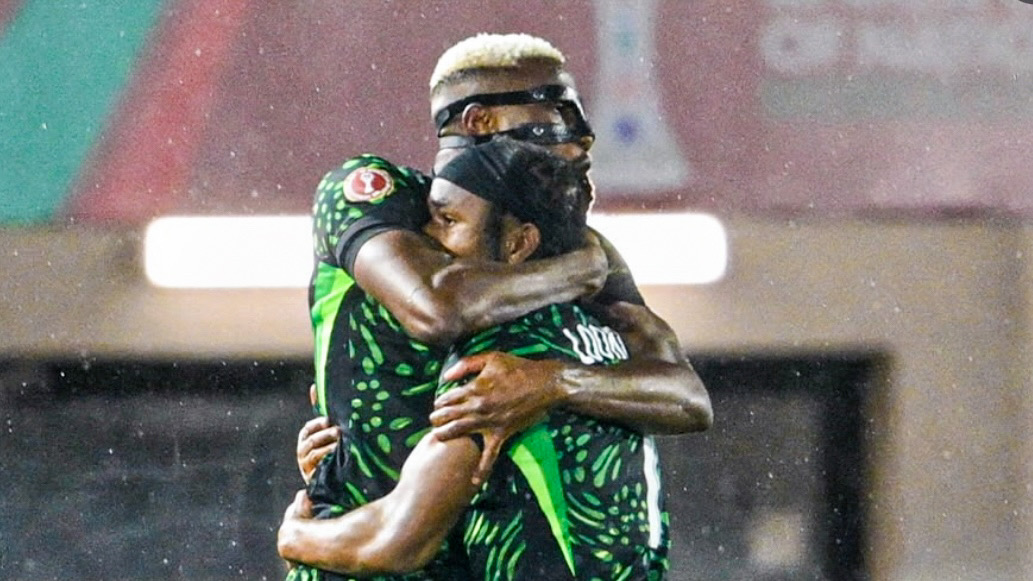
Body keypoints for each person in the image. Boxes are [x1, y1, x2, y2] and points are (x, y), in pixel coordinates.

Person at [290, 33, 712, 581]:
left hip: (437, 550)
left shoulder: (561, 262)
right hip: (358, 553)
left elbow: (687, 398)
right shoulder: (374, 194)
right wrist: (577, 271)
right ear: (480, 121)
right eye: (555, 107)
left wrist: (557, 383)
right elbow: (438, 309)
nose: (580, 132)